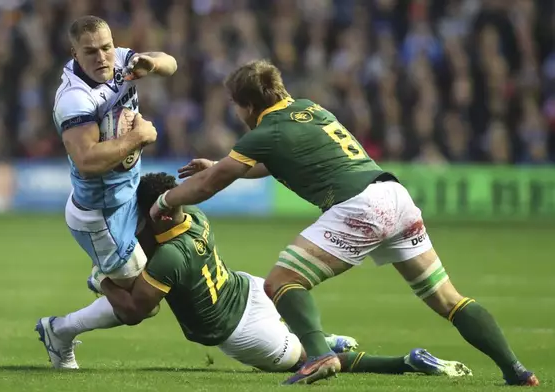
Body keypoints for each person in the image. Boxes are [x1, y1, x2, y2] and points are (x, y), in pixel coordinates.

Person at [148, 60, 538, 386]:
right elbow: (270, 162)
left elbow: (212, 184)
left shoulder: (266, 130)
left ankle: (320, 356)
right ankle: (516, 371)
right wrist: (221, 165)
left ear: (247, 105)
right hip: (395, 197)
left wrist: (166, 199)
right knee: (449, 300)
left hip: (360, 206)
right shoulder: (310, 109)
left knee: (281, 282)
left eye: (236, 106)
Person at [90, 172, 472, 377]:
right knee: (314, 342)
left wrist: (102, 281)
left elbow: (134, 310)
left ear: (156, 216)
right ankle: (329, 338)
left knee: (316, 361)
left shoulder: (168, 259)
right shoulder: (196, 219)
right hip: (250, 288)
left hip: (243, 333)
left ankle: (405, 362)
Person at [35, 15, 177, 369]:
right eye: (91, 52)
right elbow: (86, 160)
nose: (102, 57)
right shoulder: (74, 99)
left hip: (128, 196)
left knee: (179, 241)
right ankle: (60, 330)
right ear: (74, 53)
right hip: (102, 217)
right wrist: (138, 137)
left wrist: (153, 62)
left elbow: (171, 64)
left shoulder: (119, 60)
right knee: (142, 305)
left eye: (106, 47)